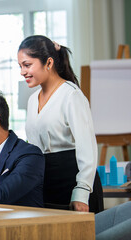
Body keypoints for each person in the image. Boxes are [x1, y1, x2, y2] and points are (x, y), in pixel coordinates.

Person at [18, 35, 103, 213]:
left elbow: (87, 148)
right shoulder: (33, 100)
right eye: (20, 66)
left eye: (27, 65)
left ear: (48, 63)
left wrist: (81, 191)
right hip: (46, 183)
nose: (22, 72)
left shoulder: (71, 95)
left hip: (73, 181)